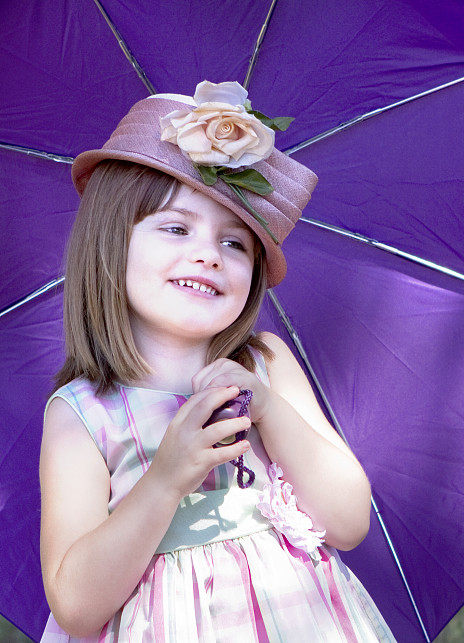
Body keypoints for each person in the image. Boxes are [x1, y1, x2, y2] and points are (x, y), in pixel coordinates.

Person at [38, 80, 397, 642]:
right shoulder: (83, 413)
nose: (208, 254)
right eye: (176, 228)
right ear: (110, 242)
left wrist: (270, 411)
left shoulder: (264, 362)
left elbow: (349, 523)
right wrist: (164, 481)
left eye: (235, 243)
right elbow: (76, 607)